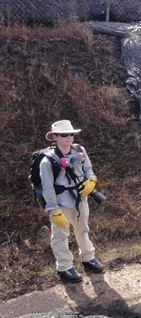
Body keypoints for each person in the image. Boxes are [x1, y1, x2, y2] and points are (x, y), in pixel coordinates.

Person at [40, 120, 103, 283]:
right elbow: (47, 188)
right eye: (64, 134)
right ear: (55, 137)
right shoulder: (47, 161)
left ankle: (88, 258)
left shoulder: (80, 150)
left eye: (71, 134)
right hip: (61, 203)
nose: (69, 137)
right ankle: (64, 267)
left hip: (80, 198)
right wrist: (53, 209)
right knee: (60, 236)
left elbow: (88, 168)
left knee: (83, 229)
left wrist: (91, 181)